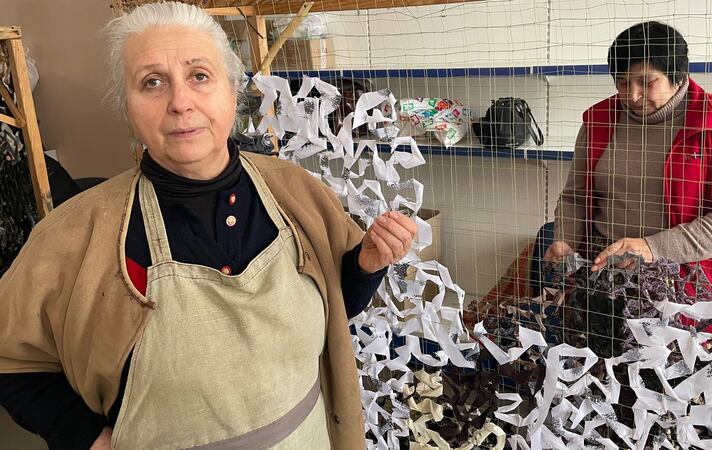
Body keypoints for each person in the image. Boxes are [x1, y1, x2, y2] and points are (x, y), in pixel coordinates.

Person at [0, 2, 418, 449]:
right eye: (152, 82)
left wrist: (367, 265)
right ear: (127, 105)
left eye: (199, 76)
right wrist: (86, 437)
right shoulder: (74, 235)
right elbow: (12, 364)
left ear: (232, 93)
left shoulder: (297, 194)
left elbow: (337, 309)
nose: (180, 102)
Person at [536, 21, 712, 295]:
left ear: (677, 76)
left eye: (647, 82)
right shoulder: (599, 120)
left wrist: (651, 248)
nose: (632, 95)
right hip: (602, 267)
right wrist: (566, 240)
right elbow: (575, 196)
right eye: (622, 82)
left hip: (684, 275)